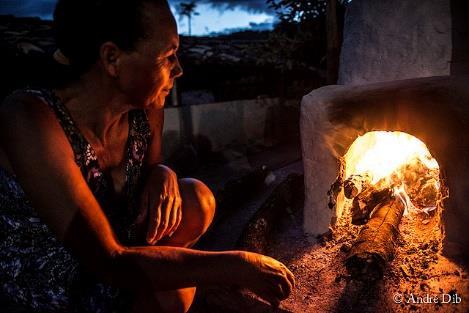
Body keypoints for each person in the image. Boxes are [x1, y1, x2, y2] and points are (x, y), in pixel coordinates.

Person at [0, 0, 295, 312]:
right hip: (59, 285)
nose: (179, 69)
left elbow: (150, 168)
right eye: (168, 57)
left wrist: (161, 170)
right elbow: (108, 261)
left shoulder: (145, 106)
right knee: (176, 292)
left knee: (195, 197)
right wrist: (235, 264)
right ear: (112, 58)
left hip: (119, 248)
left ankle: (162, 280)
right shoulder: (30, 118)